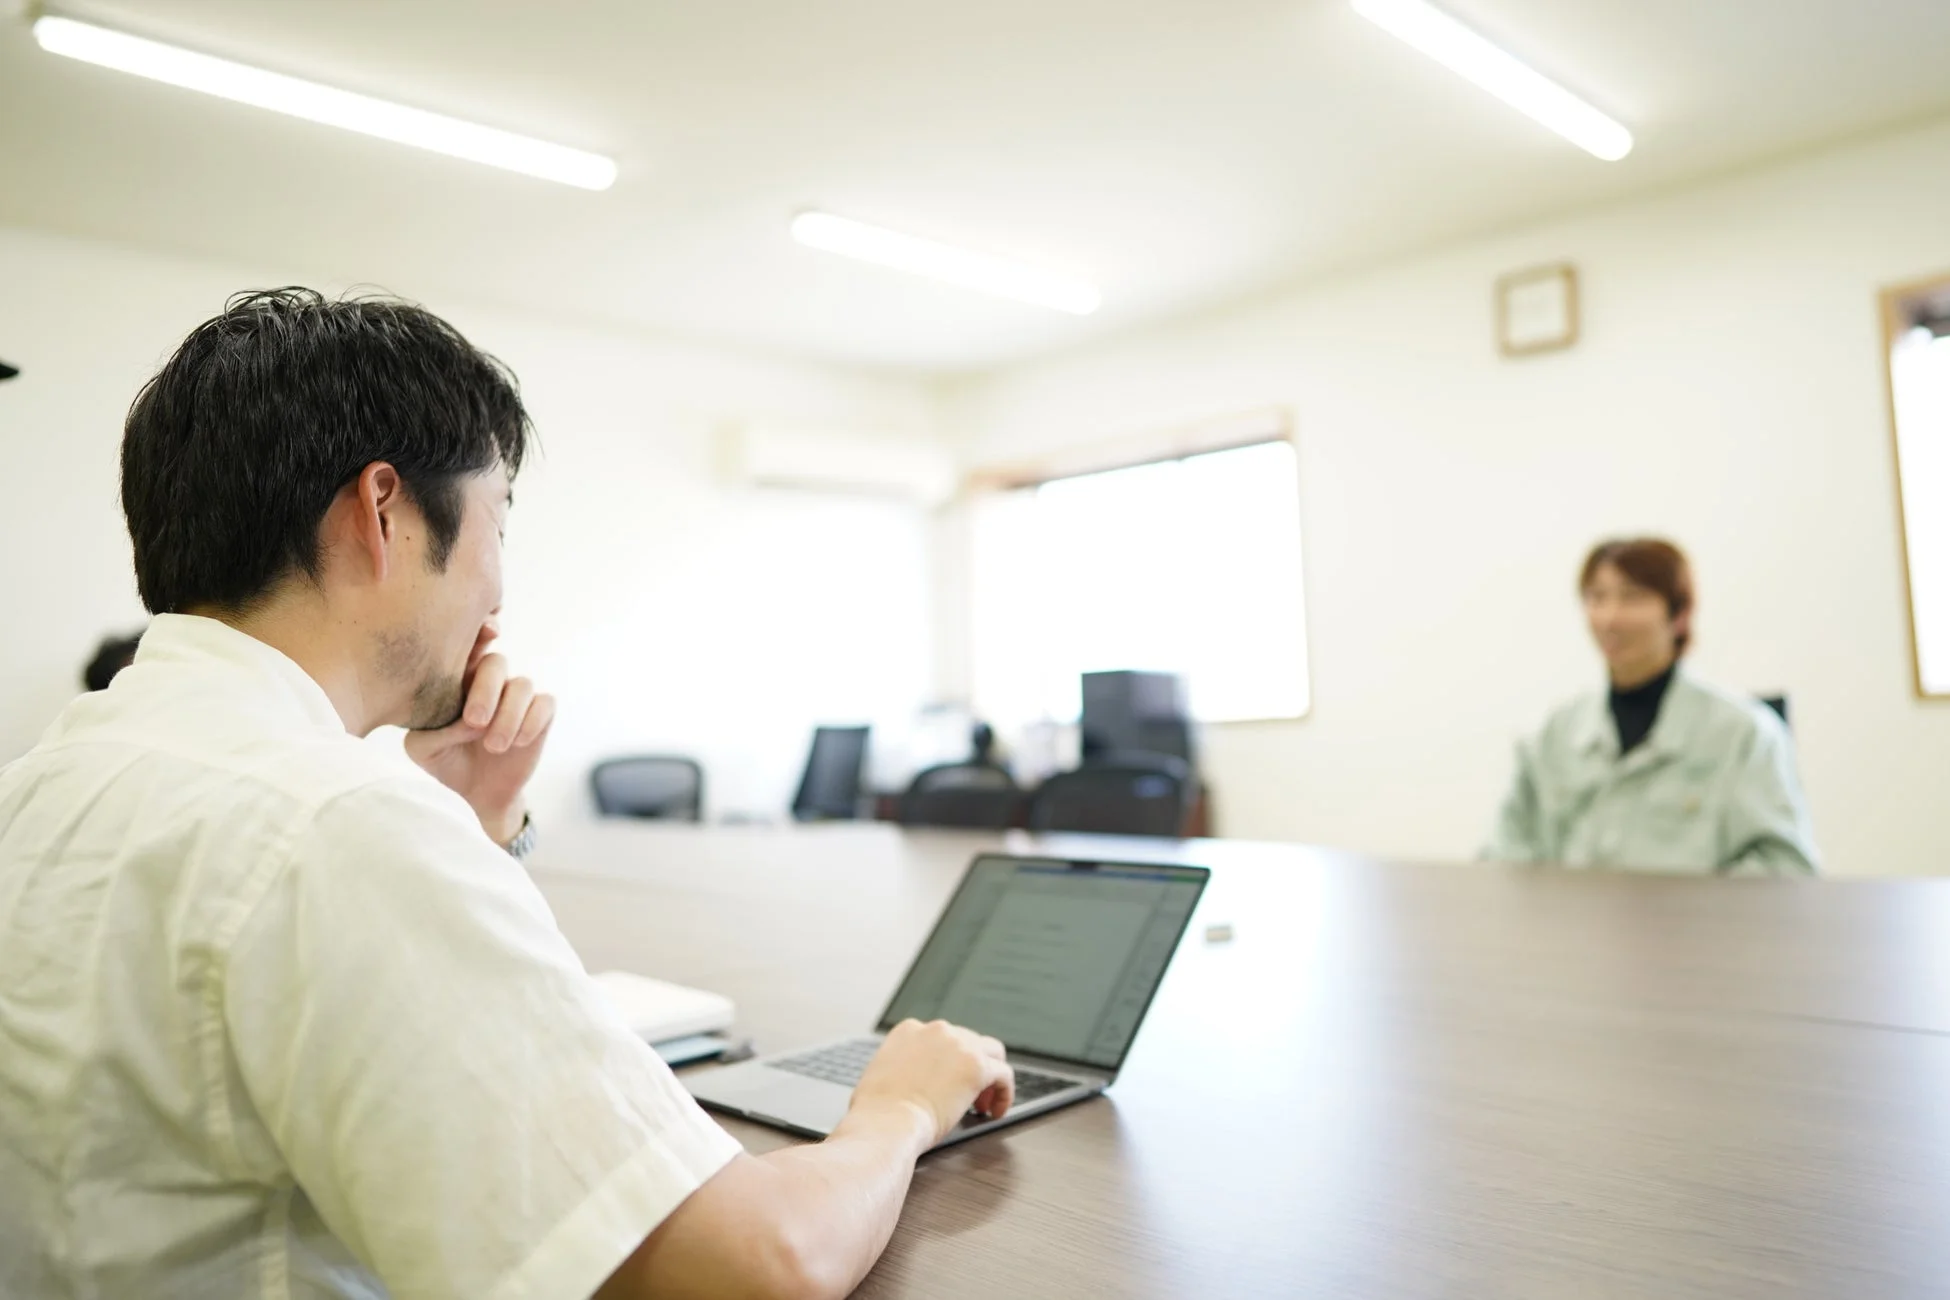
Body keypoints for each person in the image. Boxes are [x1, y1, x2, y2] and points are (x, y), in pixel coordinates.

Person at [0, 289, 1015, 1299]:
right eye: (499, 519)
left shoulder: (46, 779)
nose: (498, 590)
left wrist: (471, 830)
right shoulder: (333, 823)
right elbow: (759, 1265)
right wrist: (899, 1105)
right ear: (382, 510)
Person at [1484, 537, 1819, 875]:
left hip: (1694, 927)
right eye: (1597, 598)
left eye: (1632, 597)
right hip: (1570, 926)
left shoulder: (1745, 734)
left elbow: (1785, 869)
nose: (1610, 617)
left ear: (1679, 614)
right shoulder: (1552, 734)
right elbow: (1504, 857)